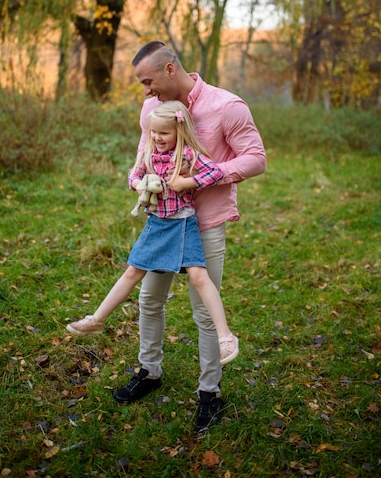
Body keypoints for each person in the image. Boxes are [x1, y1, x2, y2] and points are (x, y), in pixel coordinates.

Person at [110, 41, 266, 435]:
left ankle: (210, 393)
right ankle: (149, 371)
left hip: (205, 223)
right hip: (163, 223)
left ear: (168, 70)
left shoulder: (228, 107)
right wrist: (138, 179)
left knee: (203, 312)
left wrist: (197, 179)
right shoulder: (152, 109)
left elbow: (256, 158)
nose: (145, 91)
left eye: (147, 81)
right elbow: (143, 154)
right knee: (149, 299)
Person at [66, 100, 239, 367]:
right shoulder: (148, 153)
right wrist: (140, 184)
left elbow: (215, 172)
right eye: (154, 132)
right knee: (133, 271)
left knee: (198, 276)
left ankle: (225, 336)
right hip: (157, 225)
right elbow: (132, 175)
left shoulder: (188, 155)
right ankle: (96, 320)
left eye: (164, 133)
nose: (157, 137)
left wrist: (187, 182)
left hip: (184, 224)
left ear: (178, 132)